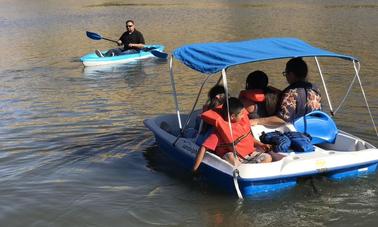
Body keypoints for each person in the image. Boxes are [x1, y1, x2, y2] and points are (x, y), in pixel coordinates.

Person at [192, 97, 273, 172]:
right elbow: (203, 147)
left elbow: (248, 138)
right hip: (233, 158)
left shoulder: (242, 124)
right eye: (241, 114)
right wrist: (195, 169)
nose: (244, 115)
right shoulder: (219, 132)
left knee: (268, 157)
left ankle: (252, 171)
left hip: (249, 155)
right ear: (232, 116)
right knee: (230, 156)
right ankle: (244, 170)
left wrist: (261, 144)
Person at [250, 57, 322, 126]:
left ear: (291, 74)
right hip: (313, 125)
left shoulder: (291, 93)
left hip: (297, 129)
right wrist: (281, 93)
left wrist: (257, 121)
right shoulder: (315, 89)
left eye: (286, 73)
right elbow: (300, 101)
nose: (286, 76)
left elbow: (282, 119)